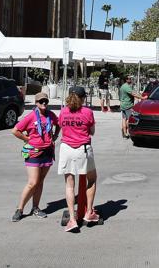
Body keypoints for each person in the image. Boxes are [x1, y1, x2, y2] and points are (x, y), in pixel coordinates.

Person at [11, 92, 59, 222]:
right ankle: (20, 209)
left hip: (47, 151)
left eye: (45, 101)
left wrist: (55, 136)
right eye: (41, 101)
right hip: (34, 152)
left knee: (40, 181)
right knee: (32, 182)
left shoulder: (51, 115)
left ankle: (36, 208)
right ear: (36, 103)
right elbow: (15, 130)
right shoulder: (31, 116)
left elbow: (58, 124)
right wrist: (26, 138)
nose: (44, 103)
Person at [57, 86, 99, 232]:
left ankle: (73, 220)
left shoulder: (63, 111)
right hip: (83, 149)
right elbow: (92, 132)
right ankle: (89, 213)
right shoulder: (87, 112)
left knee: (69, 185)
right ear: (83, 98)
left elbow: (61, 127)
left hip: (66, 149)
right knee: (92, 179)